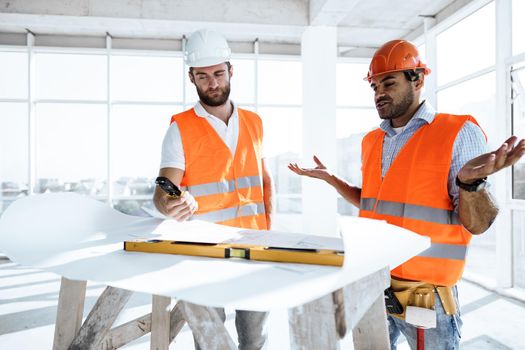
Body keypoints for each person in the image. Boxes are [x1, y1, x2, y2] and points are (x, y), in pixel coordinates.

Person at [288, 39, 525, 349]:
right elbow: (374, 203)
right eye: (374, 86)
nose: (379, 93)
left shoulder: (457, 131)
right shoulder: (372, 140)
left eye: (389, 82)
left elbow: (477, 224)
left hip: (426, 295)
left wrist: (470, 184)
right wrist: (332, 179)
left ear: (418, 79)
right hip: (374, 282)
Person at [153, 28, 273, 350]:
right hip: (205, 253)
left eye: (219, 73)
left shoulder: (254, 122)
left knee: (255, 339)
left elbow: (263, 181)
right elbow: (164, 188)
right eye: (203, 76)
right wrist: (172, 202)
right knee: (212, 341)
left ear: (231, 71)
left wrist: (270, 232)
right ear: (191, 78)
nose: (213, 83)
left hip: (254, 248)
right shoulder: (180, 129)